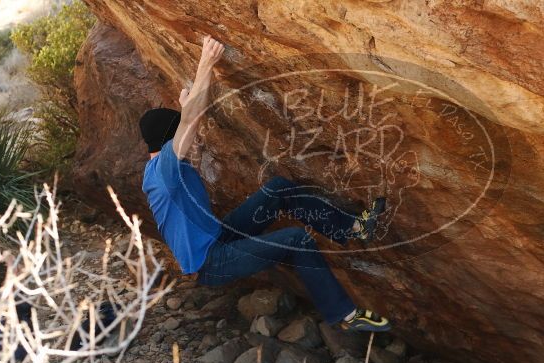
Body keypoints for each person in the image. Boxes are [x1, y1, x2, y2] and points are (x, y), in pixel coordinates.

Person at [139, 36, 391, 332]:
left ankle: (352, 227)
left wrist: (189, 103)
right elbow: (193, 119)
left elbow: (192, 119)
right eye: (179, 130)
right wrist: (206, 61)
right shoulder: (164, 171)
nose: (189, 138)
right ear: (169, 139)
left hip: (219, 237)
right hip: (212, 262)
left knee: (278, 189)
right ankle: (346, 315)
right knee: (297, 240)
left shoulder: (161, 168)